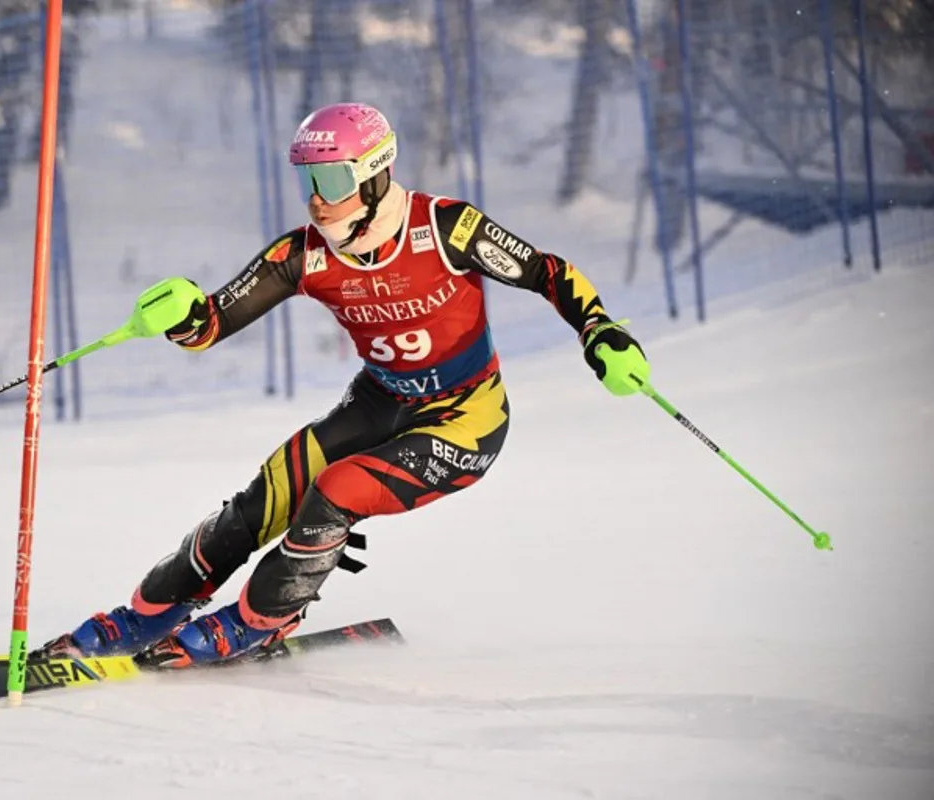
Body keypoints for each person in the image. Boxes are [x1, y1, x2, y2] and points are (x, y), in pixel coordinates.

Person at [36, 102, 650, 669]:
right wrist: (183, 316)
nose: (317, 201)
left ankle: (261, 621)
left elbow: (548, 272)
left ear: (376, 176)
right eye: (309, 181)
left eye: (331, 181)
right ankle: (137, 620)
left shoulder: (447, 228)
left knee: (337, 490)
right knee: (262, 499)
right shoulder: (304, 255)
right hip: (380, 402)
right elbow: (213, 324)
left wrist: (599, 330)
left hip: (465, 418)